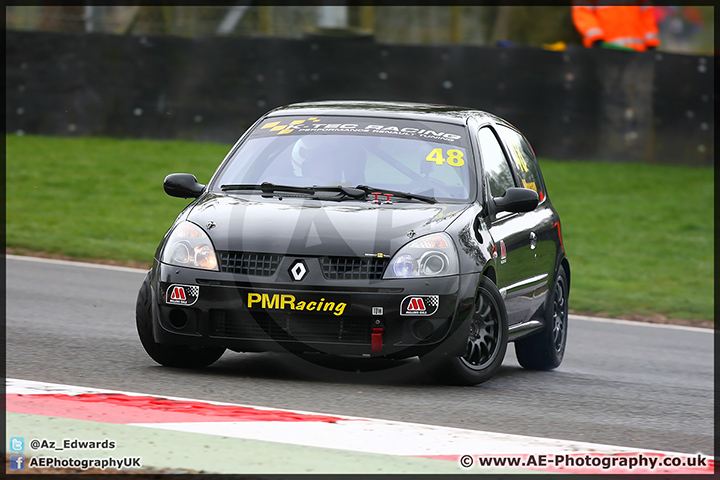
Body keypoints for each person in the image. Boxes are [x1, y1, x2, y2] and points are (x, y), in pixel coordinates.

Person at [571, 1, 660, 52]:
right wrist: (596, 38)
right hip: (604, 51)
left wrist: (651, 43)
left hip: (637, 53)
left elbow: (646, 14)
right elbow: (583, 13)